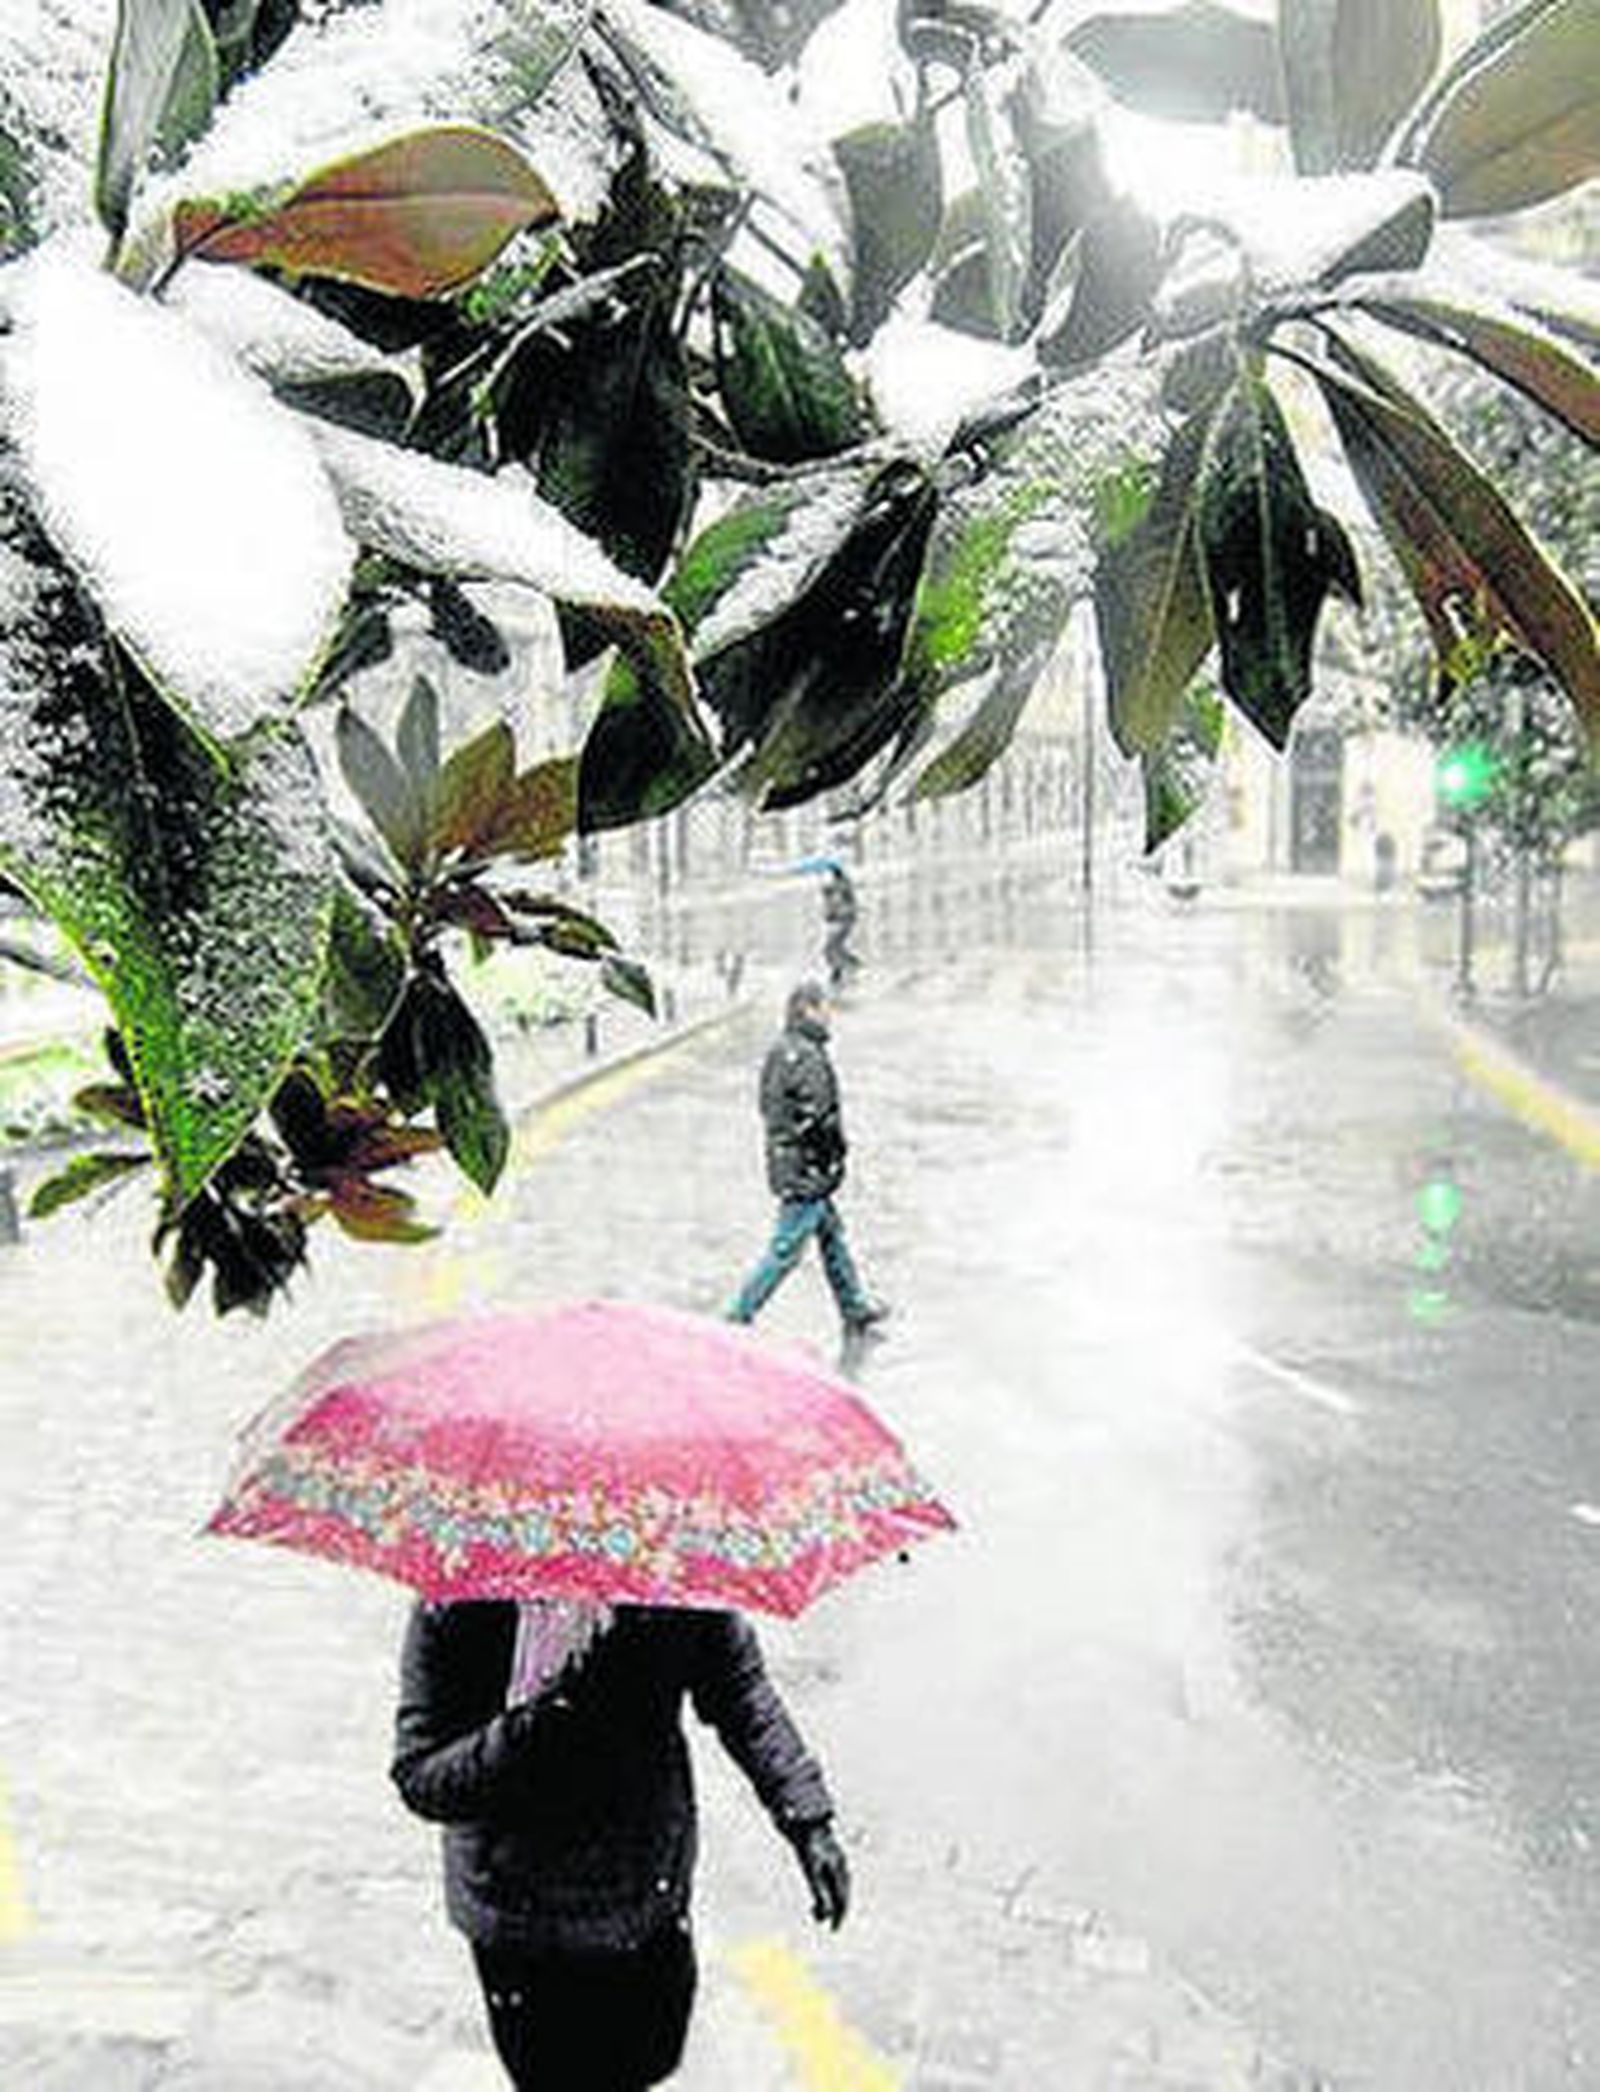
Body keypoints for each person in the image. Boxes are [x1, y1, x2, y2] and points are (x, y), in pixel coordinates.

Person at [392, 1597, 850, 2091]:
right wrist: (531, 1731)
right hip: (523, 1925)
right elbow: (422, 1776)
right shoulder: (460, 1603)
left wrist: (808, 1820)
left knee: (647, 2060)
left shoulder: (669, 1580)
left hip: (645, 1899)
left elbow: (739, 1689)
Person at [726, 981, 887, 1337]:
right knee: (786, 1250)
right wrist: (833, 1157)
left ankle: (854, 1306)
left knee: (832, 1236)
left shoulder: (783, 1049)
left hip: (792, 1161)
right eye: (825, 1007)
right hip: (807, 1168)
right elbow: (819, 1117)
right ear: (808, 1009)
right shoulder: (806, 1054)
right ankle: (737, 1315)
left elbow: (769, 1107)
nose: (831, 1014)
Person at [820, 864, 859, 990]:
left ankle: (843, 970)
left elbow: (840, 902)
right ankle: (844, 968)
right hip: (841, 920)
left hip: (843, 921)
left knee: (830, 948)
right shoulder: (838, 888)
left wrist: (829, 893)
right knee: (832, 948)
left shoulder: (841, 887)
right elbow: (832, 907)